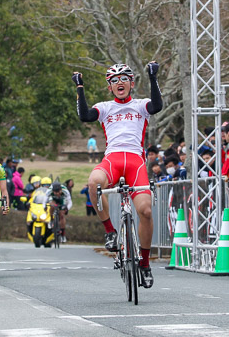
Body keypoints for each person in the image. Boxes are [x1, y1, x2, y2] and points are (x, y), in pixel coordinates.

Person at [73, 61, 163, 289]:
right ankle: (110, 232)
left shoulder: (141, 105)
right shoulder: (105, 107)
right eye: (114, 80)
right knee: (93, 184)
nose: (119, 83)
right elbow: (85, 116)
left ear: (132, 83)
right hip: (112, 159)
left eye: (124, 79)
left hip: (135, 162)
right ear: (109, 87)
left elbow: (157, 106)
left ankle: (144, 263)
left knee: (145, 210)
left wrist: (153, 78)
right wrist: (80, 88)